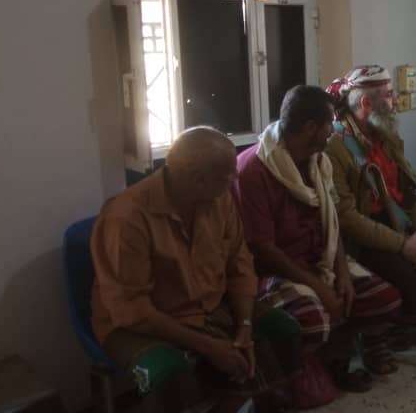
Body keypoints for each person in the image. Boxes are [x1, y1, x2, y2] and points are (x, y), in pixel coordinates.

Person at [91, 127, 301, 413]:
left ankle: (242, 403)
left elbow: (240, 267)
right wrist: (210, 346)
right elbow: (132, 310)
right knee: (170, 375)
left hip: (208, 306)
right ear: (197, 180)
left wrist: (244, 326)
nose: (235, 178)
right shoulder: (127, 218)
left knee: (280, 331)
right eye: (227, 174)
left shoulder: (219, 200)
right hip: (137, 325)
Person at [233, 85, 402, 399]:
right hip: (274, 272)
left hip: (319, 259)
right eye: (329, 125)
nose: (333, 132)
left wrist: (342, 273)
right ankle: (302, 369)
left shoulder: (317, 161)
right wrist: (320, 287)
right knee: (313, 318)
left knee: (385, 298)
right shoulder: (253, 170)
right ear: (311, 128)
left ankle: (337, 359)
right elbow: (263, 249)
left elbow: (332, 223)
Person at [323, 66, 416, 347]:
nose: (396, 102)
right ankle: (385, 335)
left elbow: (411, 192)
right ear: (366, 103)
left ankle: (402, 322)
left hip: (401, 226)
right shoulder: (335, 147)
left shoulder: (386, 138)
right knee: (410, 282)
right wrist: (403, 246)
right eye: (389, 96)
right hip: (365, 240)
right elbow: (347, 218)